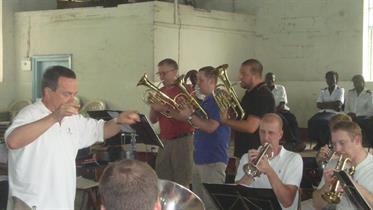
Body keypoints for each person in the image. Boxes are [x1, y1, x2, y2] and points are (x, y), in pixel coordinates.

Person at [4, 66, 140, 210]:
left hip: (62, 203)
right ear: (48, 92)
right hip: (30, 204)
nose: (72, 100)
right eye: (66, 94)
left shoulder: (73, 119)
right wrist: (55, 117)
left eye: (74, 94)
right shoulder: (30, 114)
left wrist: (119, 121)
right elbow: (13, 141)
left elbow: (102, 130)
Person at [171, 66, 230, 210]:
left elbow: (211, 127)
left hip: (213, 159)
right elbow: (198, 123)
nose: (197, 84)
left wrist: (190, 115)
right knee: (199, 205)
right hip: (200, 158)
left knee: (211, 205)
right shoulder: (206, 101)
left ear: (211, 81)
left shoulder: (218, 100)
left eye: (201, 80)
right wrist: (187, 112)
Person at [235, 113, 303, 210]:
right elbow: (237, 195)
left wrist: (269, 170)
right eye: (262, 132)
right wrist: (250, 173)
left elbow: (287, 201)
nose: (266, 137)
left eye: (271, 133)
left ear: (280, 134)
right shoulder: (247, 157)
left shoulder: (294, 159)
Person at [149, 58, 194, 187]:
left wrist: (163, 108)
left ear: (174, 72)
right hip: (164, 141)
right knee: (163, 181)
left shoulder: (185, 89)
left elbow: (186, 117)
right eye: (160, 74)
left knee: (182, 181)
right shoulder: (161, 91)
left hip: (182, 141)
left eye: (164, 73)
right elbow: (153, 120)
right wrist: (153, 106)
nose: (161, 77)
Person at [312, 121, 373, 210]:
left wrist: (353, 186)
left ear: (357, 140)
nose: (337, 149)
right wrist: (326, 187)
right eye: (334, 144)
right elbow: (316, 205)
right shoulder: (334, 164)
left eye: (342, 143)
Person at [221, 59, 275, 158]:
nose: (239, 77)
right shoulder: (251, 93)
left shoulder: (262, 95)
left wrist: (225, 121)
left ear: (254, 76)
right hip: (245, 151)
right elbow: (240, 118)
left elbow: (250, 127)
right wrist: (228, 105)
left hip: (255, 154)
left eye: (243, 74)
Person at [264, 72, 305, 152]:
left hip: (281, 110)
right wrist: (273, 111)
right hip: (270, 112)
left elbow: (282, 104)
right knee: (283, 120)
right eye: (268, 79)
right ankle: (292, 141)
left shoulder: (280, 88)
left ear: (274, 80)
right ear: (265, 80)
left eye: (272, 79)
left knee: (292, 118)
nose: (270, 81)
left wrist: (276, 110)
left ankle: (297, 141)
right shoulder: (263, 90)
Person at [308, 71, 344, 151]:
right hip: (322, 112)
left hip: (334, 113)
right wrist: (332, 104)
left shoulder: (340, 90)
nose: (330, 80)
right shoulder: (323, 90)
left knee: (325, 122)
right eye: (328, 79)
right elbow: (318, 105)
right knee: (312, 121)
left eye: (332, 79)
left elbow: (338, 105)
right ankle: (319, 142)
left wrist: (325, 104)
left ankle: (325, 143)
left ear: (336, 80)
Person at [344, 74, 373, 147]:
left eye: (358, 82)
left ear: (363, 82)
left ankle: (368, 143)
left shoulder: (369, 94)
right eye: (354, 82)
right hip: (350, 117)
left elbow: (370, 110)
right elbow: (346, 107)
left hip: (363, 118)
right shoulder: (350, 93)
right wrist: (348, 114)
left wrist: (356, 115)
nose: (356, 84)